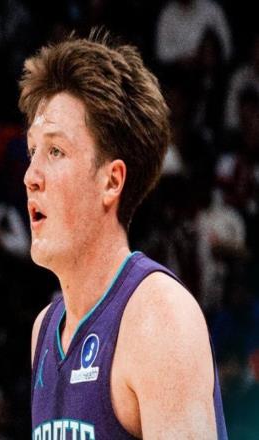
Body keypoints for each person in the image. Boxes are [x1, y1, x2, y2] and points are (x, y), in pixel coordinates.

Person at [19, 32, 228, 439]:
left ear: (112, 181)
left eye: (55, 151)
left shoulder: (158, 317)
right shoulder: (44, 330)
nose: (31, 176)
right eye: (32, 151)